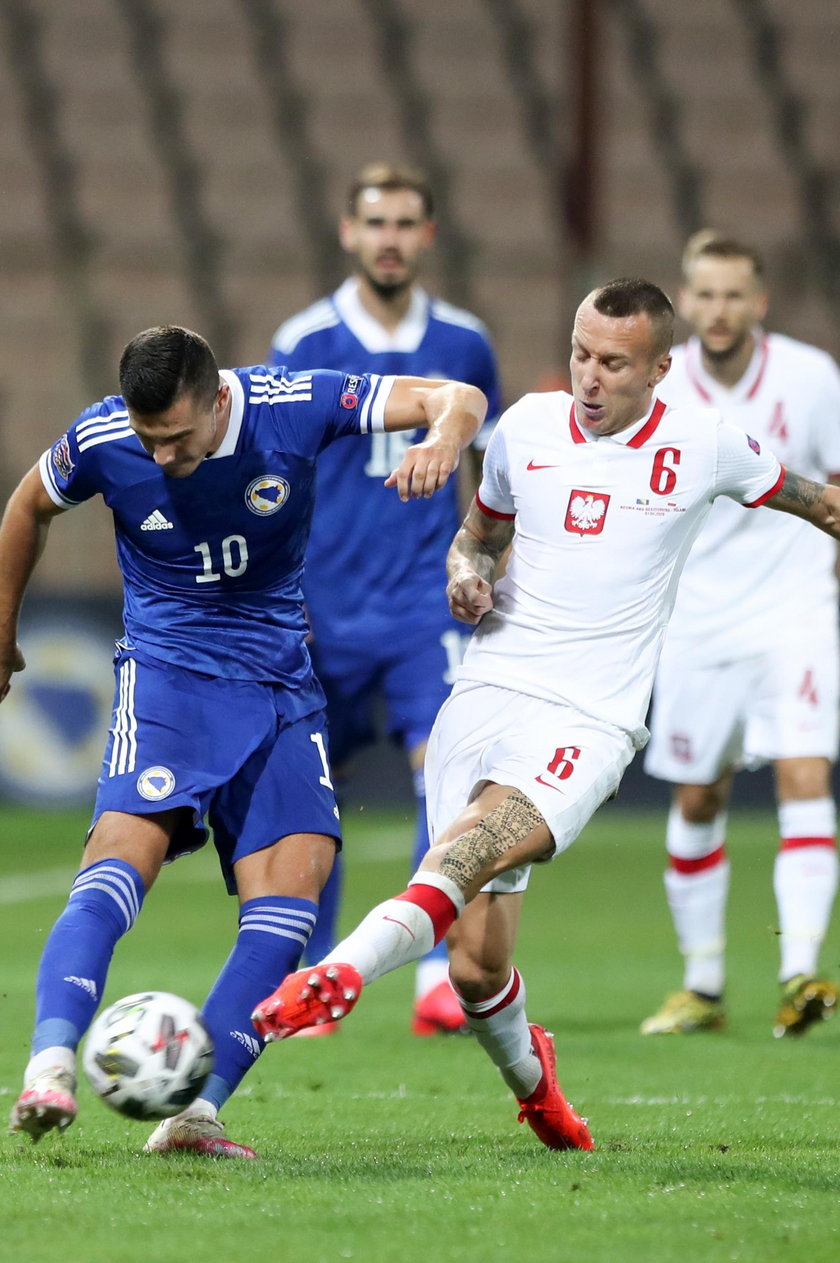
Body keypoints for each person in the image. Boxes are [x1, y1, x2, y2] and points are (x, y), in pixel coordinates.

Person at [251, 277, 840, 1150]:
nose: (590, 377)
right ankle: (538, 1091)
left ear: (659, 369)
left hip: (592, 717)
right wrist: (467, 573)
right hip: (488, 694)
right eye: (580, 354)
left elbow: (818, 499)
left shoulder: (706, 443)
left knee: (466, 850)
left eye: (613, 362)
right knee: (476, 962)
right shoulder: (525, 428)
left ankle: (341, 972)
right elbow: (479, 534)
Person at [2, 325, 486, 1156]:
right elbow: (28, 506)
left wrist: (442, 438)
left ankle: (199, 1113)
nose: (159, 457)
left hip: (279, 685)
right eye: (148, 439)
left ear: (218, 400)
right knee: (119, 857)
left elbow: (458, 397)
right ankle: (50, 1062)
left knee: (293, 901)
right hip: (165, 676)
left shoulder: (289, 404)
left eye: (178, 438)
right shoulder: (103, 436)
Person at [267, 162, 502, 1036]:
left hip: (422, 603)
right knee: (309, 791)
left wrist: (487, 559)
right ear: (348, 232)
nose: (391, 238)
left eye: (406, 222)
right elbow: (275, 471)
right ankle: (315, 971)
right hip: (320, 604)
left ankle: (434, 968)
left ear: (428, 234)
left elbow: (489, 469)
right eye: (377, 223)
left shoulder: (466, 342)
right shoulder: (304, 340)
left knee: (447, 776)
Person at [641, 234, 840, 1038]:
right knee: (700, 793)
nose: (719, 310)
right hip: (695, 618)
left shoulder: (810, 376)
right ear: (685, 303)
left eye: (735, 295)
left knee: (804, 773)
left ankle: (799, 972)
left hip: (795, 610)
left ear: (759, 303)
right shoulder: (662, 388)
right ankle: (704, 984)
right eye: (705, 294)